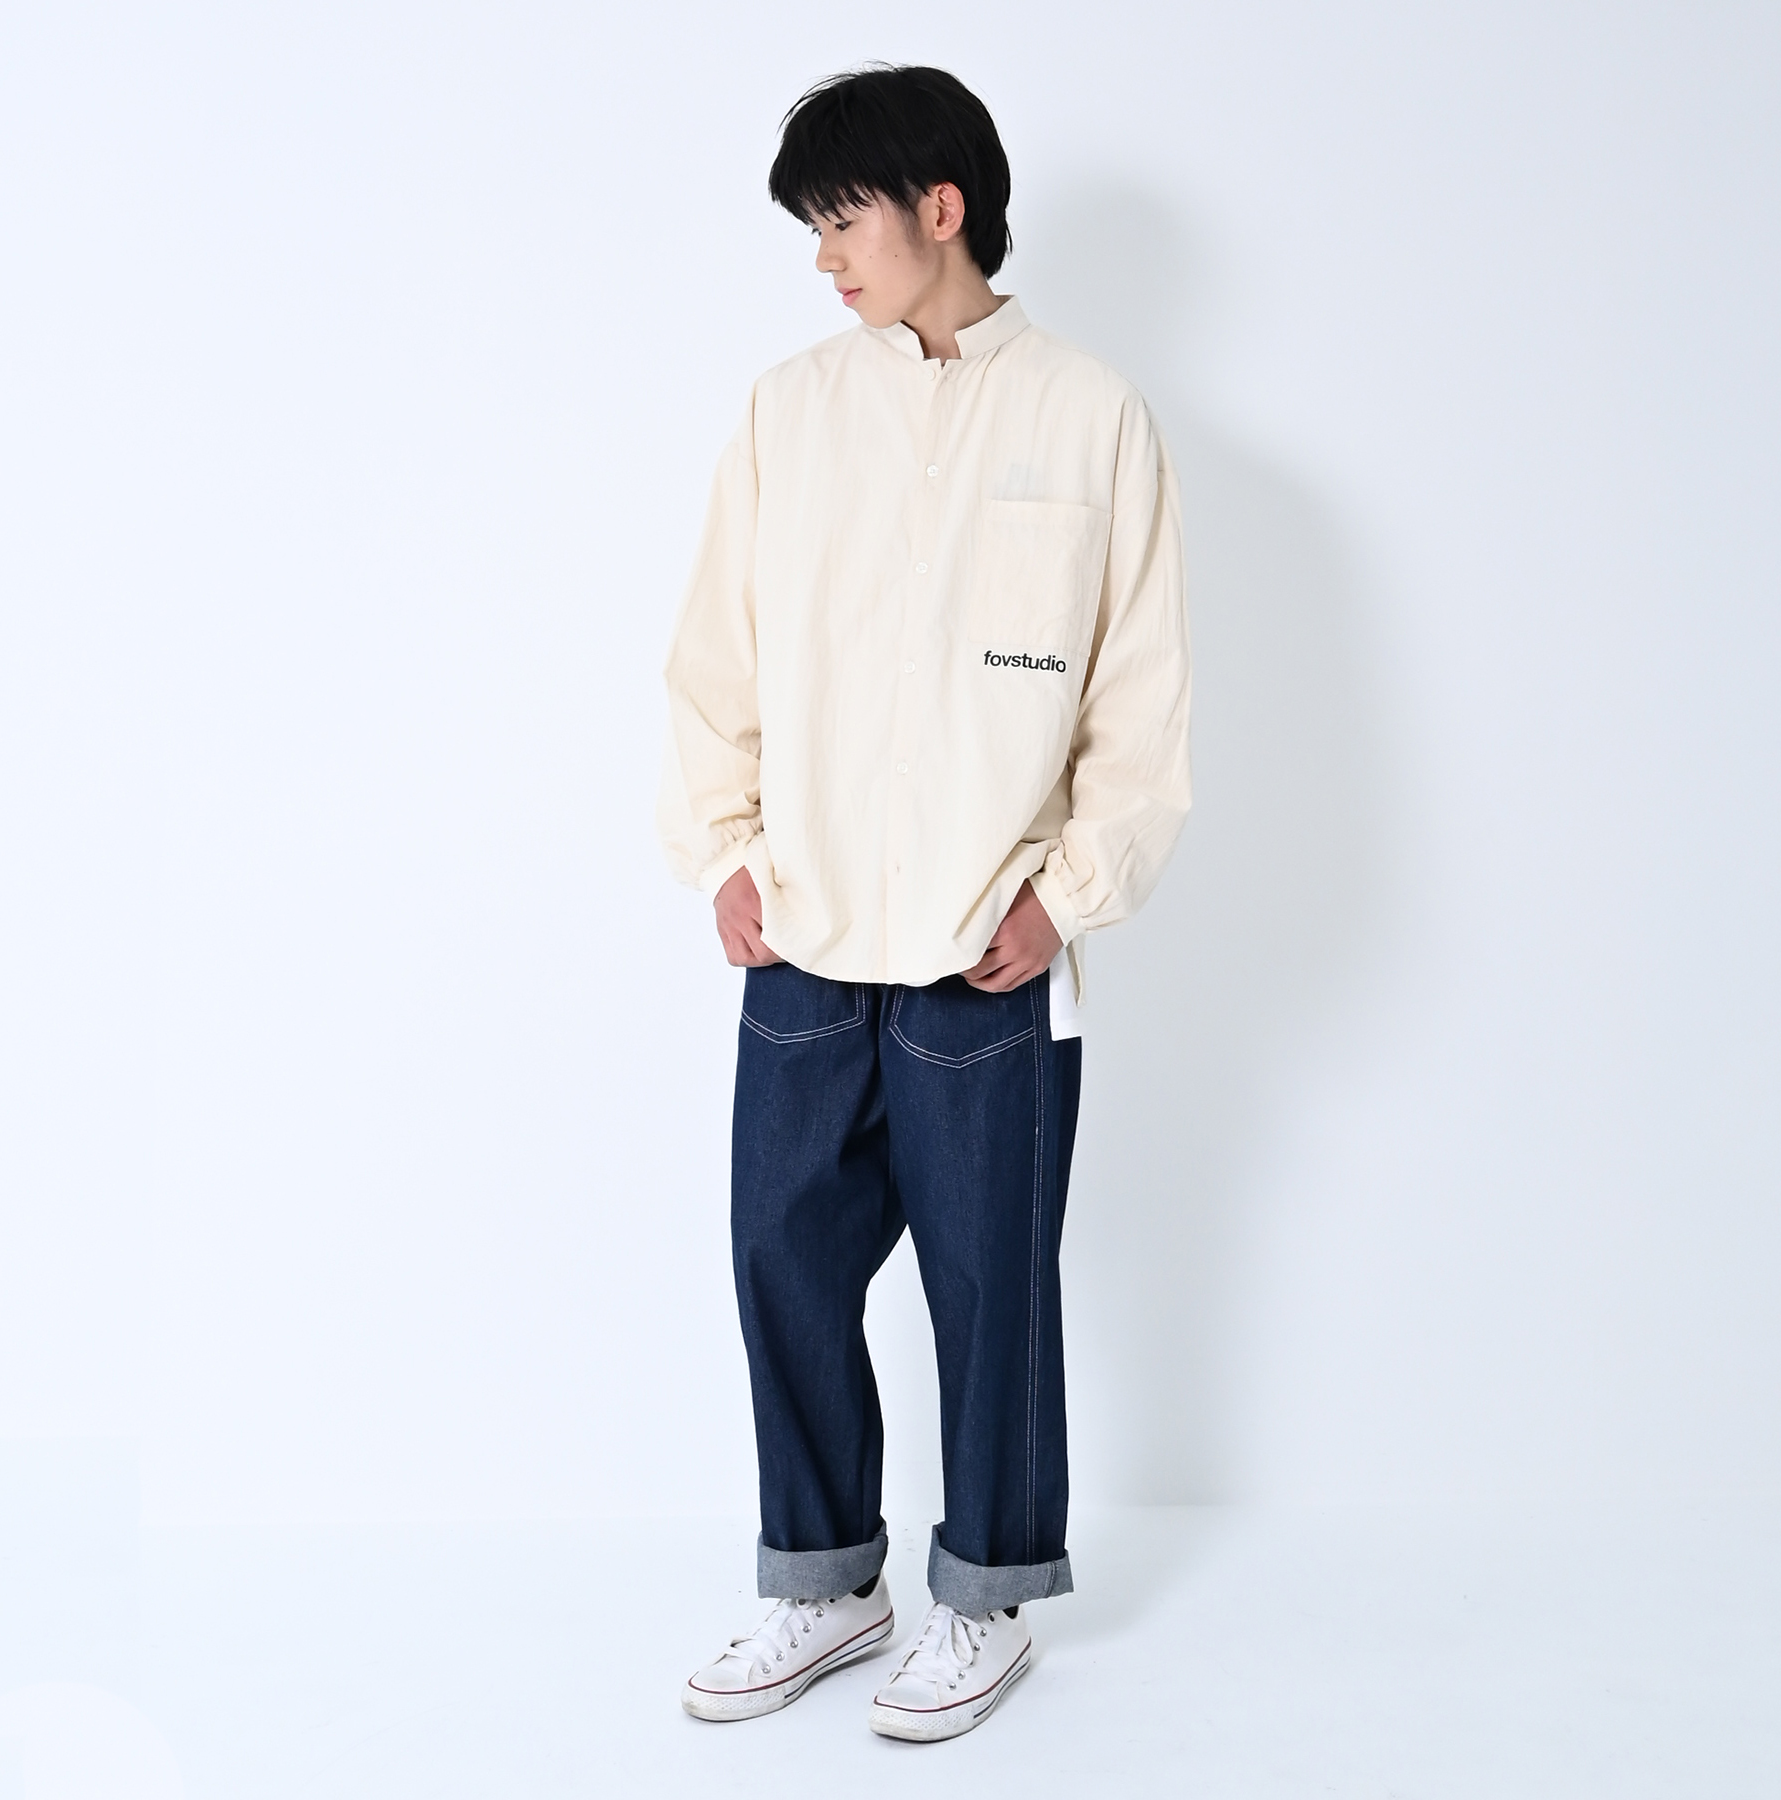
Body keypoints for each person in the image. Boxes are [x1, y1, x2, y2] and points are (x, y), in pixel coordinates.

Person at [658, 63, 1191, 1742]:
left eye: (842, 221)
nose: (823, 258)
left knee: (989, 1280)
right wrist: (722, 847)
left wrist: (1070, 893)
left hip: (986, 944)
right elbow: (715, 657)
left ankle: (986, 1603)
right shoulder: (790, 412)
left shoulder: (1092, 418)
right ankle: (825, 1585)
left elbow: (1140, 704)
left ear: (937, 208)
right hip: (807, 923)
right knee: (782, 1257)